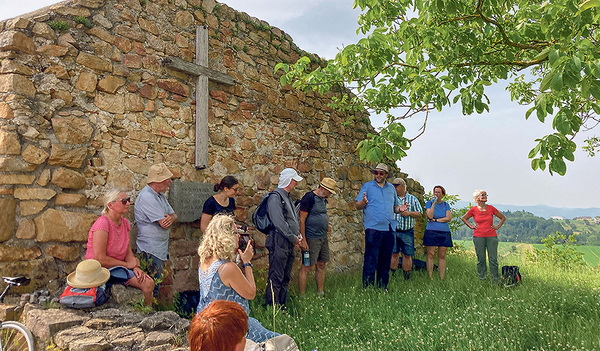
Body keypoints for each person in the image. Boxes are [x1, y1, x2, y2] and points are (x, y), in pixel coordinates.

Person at [197, 214, 278, 343]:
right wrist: (247, 263)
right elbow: (251, 293)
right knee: (282, 341)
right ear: (225, 237)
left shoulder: (204, 261)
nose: (238, 236)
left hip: (207, 326)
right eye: (235, 233)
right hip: (231, 329)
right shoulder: (228, 268)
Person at [86, 190, 155, 306]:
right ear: (110, 205)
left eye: (128, 200)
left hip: (117, 268)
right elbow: (99, 259)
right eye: (124, 201)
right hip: (100, 270)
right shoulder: (102, 224)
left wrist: (136, 267)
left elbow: (127, 251)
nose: (128, 203)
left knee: (148, 283)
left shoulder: (124, 223)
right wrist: (127, 265)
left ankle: (147, 313)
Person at [134, 163, 178, 297]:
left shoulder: (160, 196)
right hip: (150, 250)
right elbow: (164, 224)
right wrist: (169, 219)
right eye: (167, 179)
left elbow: (174, 215)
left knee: (156, 285)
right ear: (158, 181)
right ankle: (150, 315)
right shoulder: (147, 197)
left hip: (158, 249)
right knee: (152, 288)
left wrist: (171, 218)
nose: (170, 182)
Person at [355, 163, 401, 289]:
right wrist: (363, 202)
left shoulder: (391, 188)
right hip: (373, 228)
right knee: (371, 260)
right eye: (376, 173)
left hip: (389, 228)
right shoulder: (367, 187)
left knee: (385, 260)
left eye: (381, 173)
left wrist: (400, 209)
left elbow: (395, 208)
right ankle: (368, 289)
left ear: (386, 175)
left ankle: (382, 288)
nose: (378, 175)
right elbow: (357, 206)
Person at [265, 168, 303, 305]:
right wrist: (294, 238)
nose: (296, 184)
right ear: (290, 180)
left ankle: (281, 305)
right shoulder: (275, 197)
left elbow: (292, 219)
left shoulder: (286, 197)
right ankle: (272, 308)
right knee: (276, 276)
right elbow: (279, 223)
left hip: (287, 241)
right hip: (279, 241)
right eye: (294, 181)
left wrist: (297, 235)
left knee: (285, 276)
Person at [297, 177, 336, 298]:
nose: (329, 194)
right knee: (307, 266)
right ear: (323, 188)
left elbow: (324, 214)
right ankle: (302, 295)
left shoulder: (323, 199)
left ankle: (320, 293)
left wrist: (328, 224)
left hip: (323, 237)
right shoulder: (309, 198)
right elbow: (301, 219)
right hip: (311, 237)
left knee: (321, 264)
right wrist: (303, 239)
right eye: (329, 191)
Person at [461, 190, 506, 283]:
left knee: (493, 259)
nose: (485, 196)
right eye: (482, 195)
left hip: (492, 236)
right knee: (481, 259)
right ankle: (482, 280)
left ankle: (495, 281)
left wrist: (497, 227)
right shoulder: (473, 210)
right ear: (477, 198)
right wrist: (471, 226)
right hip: (478, 237)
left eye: (486, 195)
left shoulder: (491, 208)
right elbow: (464, 218)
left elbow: (503, 218)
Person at [389, 178, 423, 280]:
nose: (394, 187)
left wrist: (409, 213)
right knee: (393, 253)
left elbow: (420, 213)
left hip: (407, 231)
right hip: (394, 230)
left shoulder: (413, 199)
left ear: (403, 187)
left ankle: (407, 278)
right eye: (393, 185)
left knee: (407, 254)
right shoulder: (391, 199)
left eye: (396, 185)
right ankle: (393, 275)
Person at [424, 185, 453, 280]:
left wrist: (436, 220)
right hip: (431, 231)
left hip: (444, 232)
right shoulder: (429, 203)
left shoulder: (446, 205)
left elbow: (448, 218)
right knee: (431, 254)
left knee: (442, 255)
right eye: (435, 192)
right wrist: (433, 204)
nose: (436, 194)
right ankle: (430, 277)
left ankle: (442, 277)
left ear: (443, 194)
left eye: (438, 192)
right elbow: (430, 216)